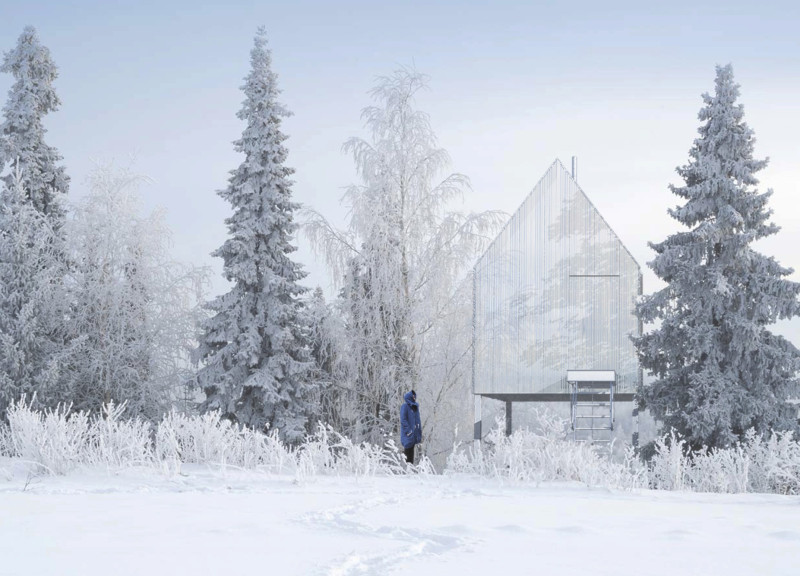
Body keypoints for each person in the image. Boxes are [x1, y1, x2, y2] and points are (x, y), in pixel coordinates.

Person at [400, 389, 422, 464]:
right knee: (407, 455)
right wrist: (409, 431)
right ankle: (406, 472)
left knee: (411, 455)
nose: (414, 397)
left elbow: (417, 421)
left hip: (413, 435)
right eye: (413, 395)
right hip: (408, 435)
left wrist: (418, 433)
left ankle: (409, 472)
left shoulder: (415, 407)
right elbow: (403, 420)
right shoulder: (405, 406)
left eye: (414, 395)